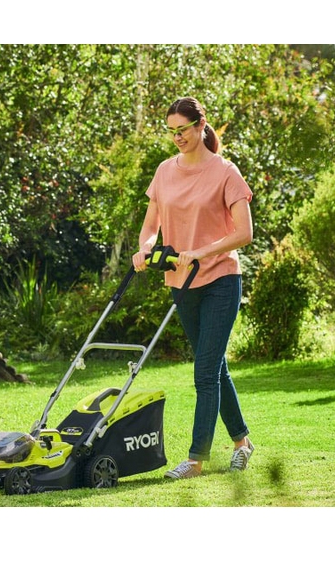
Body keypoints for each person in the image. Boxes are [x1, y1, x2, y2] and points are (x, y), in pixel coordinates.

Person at [132, 96, 254, 479]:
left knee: (204, 371)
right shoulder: (164, 171)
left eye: (182, 129)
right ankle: (242, 442)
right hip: (181, 282)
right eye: (171, 132)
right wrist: (145, 248)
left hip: (220, 279)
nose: (177, 137)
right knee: (215, 367)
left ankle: (196, 459)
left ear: (201, 126)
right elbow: (151, 225)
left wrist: (201, 251)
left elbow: (244, 233)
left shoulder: (225, 172)